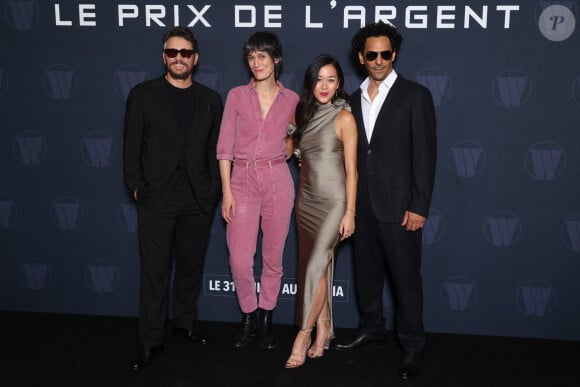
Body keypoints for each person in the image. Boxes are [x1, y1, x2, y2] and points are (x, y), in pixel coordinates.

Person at [331, 21, 437, 380]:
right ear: (362, 57)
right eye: (372, 54)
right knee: (367, 276)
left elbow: (425, 155)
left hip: (400, 208)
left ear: (395, 55)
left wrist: (420, 205)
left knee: (406, 282)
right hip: (361, 206)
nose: (379, 60)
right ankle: (372, 329)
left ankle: (412, 346)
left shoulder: (415, 95)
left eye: (386, 54)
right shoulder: (350, 99)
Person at [123, 26, 223, 371]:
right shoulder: (142, 94)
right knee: (154, 271)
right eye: (171, 52)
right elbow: (130, 147)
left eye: (184, 53)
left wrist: (212, 191)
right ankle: (151, 340)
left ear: (195, 58)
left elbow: (214, 150)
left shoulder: (211, 99)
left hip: (198, 198)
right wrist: (137, 187)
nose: (178, 58)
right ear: (164, 56)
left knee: (190, 267)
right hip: (157, 198)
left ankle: (184, 323)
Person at [216, 32, 299, 350]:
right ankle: (248, 315)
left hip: (278, 179)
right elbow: (224, 148)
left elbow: (293, 141)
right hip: (241, 181)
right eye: (251, 57)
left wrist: (288, 144)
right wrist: (227, 190)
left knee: (273, 257)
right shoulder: (236, 96)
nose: (256, 63)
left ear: (276, 59)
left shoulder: (292, 99)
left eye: (262, 56)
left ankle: (266, 318)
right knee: (239, 257)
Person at [284, 54, 358, 369]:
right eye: (319, 79)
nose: (324, 86)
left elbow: (353, 171)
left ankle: (303, 334)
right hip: (306, 200)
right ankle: (325, 327)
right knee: (317, 267)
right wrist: (292, 134)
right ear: (311, 82)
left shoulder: (344, 117)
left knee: (316, 266)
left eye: (331, 79)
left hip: (335, 203)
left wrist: (350, 212)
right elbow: (290, 152)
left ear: (339, 83)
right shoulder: (303, 114)